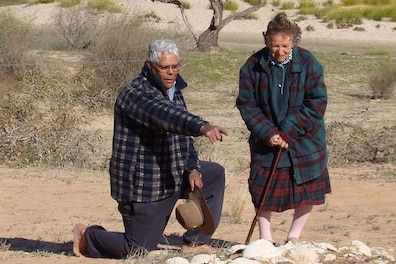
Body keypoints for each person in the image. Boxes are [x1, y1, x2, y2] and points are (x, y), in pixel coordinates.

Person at [72, 38, 228, 258]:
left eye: (175, 67)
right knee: (137, 250)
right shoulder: (136, 94)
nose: (171, 73)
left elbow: (183, 136)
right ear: (150, 66)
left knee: (213, 173)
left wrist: (192, 168)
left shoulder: (174, 89)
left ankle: (194, 242)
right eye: (164, 67)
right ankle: (87, 236)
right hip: (143, 185)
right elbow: (166, 115)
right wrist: (201, 126)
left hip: (171, 173)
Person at [236, 12, 331, 245]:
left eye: (285, 46)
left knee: (308, 188)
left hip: (304, 139)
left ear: (294, 41)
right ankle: (265, 239)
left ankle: (293, 237)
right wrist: (268, 133)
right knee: (261, 189)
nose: (280, 51)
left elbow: (317, 102)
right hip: (266, 140)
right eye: (275, 45)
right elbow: (247, 104)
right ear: (266, 40)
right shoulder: (252, 65)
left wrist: (289, 131)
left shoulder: (309, 63)